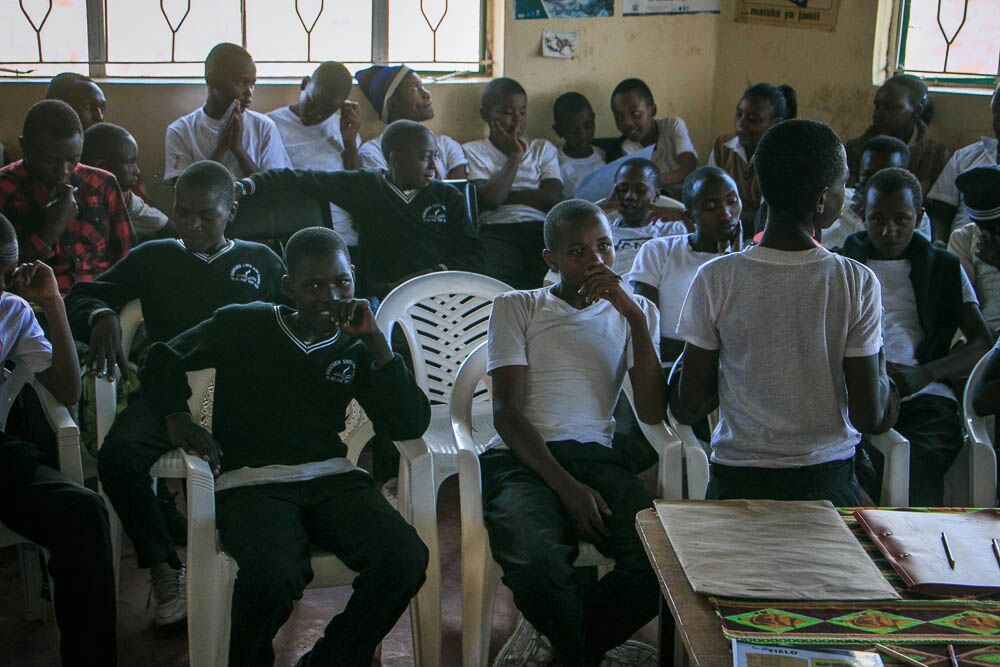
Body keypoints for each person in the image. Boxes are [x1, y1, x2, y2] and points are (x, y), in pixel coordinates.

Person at [141, 226, 430, 667]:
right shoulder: (244, 321)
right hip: (252, 483)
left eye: (341, 282)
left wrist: (377, 344)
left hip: (332, 478)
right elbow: (161, 356)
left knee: (406, 558)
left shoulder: (358, 342)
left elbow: (408, 423)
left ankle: (329, 661)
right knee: (274, 575)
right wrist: (178, 417)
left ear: (353, 278)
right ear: (289, 287)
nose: (330, 296)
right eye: (313, 286)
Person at [87, 161, 286, 626]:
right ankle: (164, 567)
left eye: (207, 216)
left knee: (270, 458)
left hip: (242, 395)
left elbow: (292, 319)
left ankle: (249, 570)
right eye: (183, 214)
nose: (193, 225)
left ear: (231, 209)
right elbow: (89, 291)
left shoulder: (261, 260)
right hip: (167, 389)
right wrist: (101, 313)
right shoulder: (154, 256)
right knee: (118, 456)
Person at [672, 119, 899, 504]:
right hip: (825, 481)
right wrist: (891, 388)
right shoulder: (854, 281)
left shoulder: (716, 278)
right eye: (843, 184)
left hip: (737, 482)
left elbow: (689, 403)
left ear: (758, 188)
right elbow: (870, 415)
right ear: (823, 200)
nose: (847, 194)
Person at [483, 199, 664, 666]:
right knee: (536, 561)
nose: (596, 261)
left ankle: (570, 652)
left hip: (597, 460)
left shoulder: (636, 311)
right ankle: (581, 653)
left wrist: (635, 318)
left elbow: (650, 408)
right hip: (523, 460)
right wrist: (568, 488)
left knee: (662, 559)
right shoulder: (518, 307)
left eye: (603, 247)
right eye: (577, 252)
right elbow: (506, 414)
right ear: (551, 260)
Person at [0, 213, 117, 666]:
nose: (2, 285)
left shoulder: (11, 310)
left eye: (6, 273)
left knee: (84, 511)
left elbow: (66, 391)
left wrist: (52, 304)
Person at [839, 167, 991, 506]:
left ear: (919, 216)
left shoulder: (943, 267)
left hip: (924, 391)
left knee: (923, 456)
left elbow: (982, 341)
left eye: (901, 220)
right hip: (857, 390)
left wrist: (926, 373)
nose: (889, 231)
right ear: (862, 215)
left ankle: (913, 547)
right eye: (877, 220)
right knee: (852, 460)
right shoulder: (844, 265)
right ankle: (866, 541)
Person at [237, 119, 486, 301]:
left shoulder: (447, 196)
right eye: (425, 157)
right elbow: (298, 178)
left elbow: (474, 254)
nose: (434, 166)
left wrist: (430, 275)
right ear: (395, 159)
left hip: (439, 291)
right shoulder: (367, 186)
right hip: (382, 294)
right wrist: (247, 186)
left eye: (436, 157)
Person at [0, 100, 135, 294]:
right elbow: (6, 277)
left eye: (73, 159)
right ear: (25, 146)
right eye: (50, 161)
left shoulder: (102, 183)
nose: (63, 171)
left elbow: (127, 257)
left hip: (100, 297)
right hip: (36, 303)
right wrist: (50, 230)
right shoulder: (4, 189)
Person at [632, 166, 742, 365]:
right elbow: (645, 330)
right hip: (667, 368)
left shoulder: (746, 259)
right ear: (690, 216)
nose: (725, 214)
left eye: (732, 201)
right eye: (710, 206)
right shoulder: (658, 251)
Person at [464, 77, 563, 290]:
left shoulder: (542, 149)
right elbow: (490, 200)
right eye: (508, 113)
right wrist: (515, 155)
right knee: (497, 288)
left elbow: (553, 197)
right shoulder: (472, 151)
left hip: (540, 229)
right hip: (497, 230)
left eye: (522, 113)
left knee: (546, 285)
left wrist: (503, 194)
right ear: (485, 114)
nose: (517, 121)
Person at [267, 61, 363, 249]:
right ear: (304, 84)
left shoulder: (342, 128)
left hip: (341, 234)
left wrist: (350, 142)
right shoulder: (272, 124)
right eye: (312, 102)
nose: (316, 115)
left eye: (326, 110)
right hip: (293, 230)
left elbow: (356, 182)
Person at [164, 42, 291, 183]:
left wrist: (238, 150)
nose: (249, 92)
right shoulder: (180, 131)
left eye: (252, 84)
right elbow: (186, 194)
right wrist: (220, 148)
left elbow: (274, 189)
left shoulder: (264, 127)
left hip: (256, 205)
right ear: (212, 79)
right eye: (241, 82)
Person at [845, 74, 950, 203]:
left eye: (891, 107)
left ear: (916, 111)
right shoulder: (854, 149)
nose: (879, 114)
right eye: (877, 106)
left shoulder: (934, 156)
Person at [708, 83, 796, 235]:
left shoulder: (783, 159)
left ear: (776, 123)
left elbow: (766, 220)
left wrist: (714, 215)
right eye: (739, 114)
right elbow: (708, 195)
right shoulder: (723, 146)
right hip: (724, 232)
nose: (741, 124)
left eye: (753, 119)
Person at [356, 65, 468, 179]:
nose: (427, 94)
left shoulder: (446, 145)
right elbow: (386, 194)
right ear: (393, 104)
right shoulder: (372, 152)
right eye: (415, 88)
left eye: (422, 86)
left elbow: (459, 192)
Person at [822, 135, 931, 250]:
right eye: (868, 175)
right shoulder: (835, 202)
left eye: (886, 176)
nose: (876, 183)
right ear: (859, 172)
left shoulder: (912, 216)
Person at [927, 85, 1000, 243]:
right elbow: (941, 211)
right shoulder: (965, 157)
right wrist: (939, 243)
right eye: (998, 116)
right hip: (958, 251)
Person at [606, 78, 697, 197]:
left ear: (653, 110)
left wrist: (655, 180)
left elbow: (689, 167)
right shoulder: (625, 149)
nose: (627, 123)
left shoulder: (672, 125)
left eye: (635, 114)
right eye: (619, 117)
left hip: (692, 195)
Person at [81, 122, 170, 241]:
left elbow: (166, 227)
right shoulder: (73, 204)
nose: (137, 171)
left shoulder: (126, 198)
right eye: (130, 163)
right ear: (101, 168)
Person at [947, 166, 1000, 336]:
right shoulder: (964, 239)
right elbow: (964, 306)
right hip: (989, 341)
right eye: (985, 229)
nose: (990, 236)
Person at [552, 92, 606, 198]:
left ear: (594, 120)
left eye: (587, 126)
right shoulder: (555, 161)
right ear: (558, 130)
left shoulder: (602, 153)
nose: (582, 134)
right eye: (573, 130)